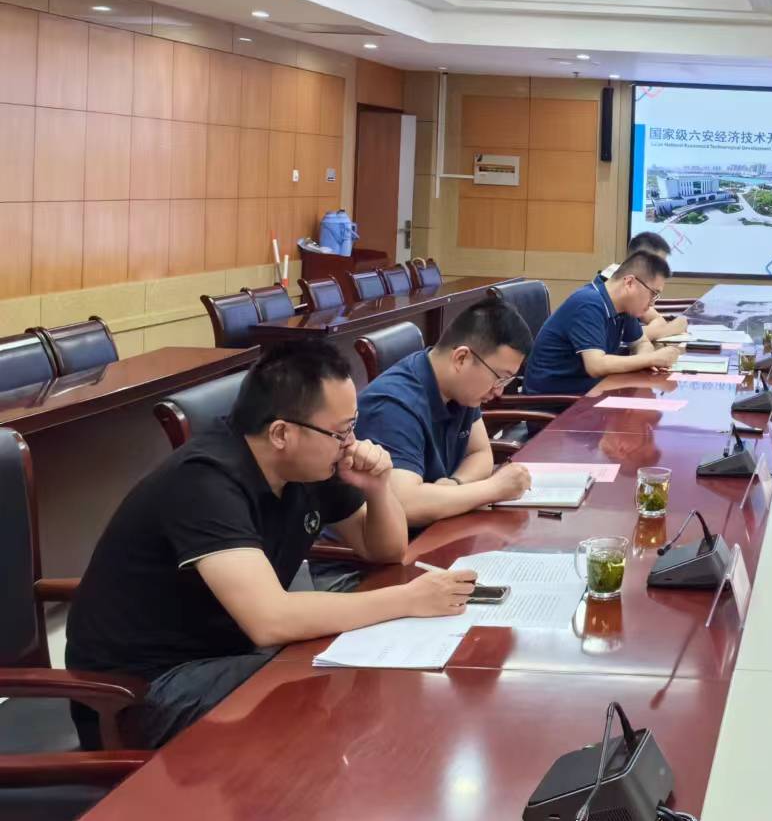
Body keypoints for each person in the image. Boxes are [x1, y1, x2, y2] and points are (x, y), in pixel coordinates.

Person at [65, 343, 475, 749]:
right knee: (327, 694)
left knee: (353, 679)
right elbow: (271, 619)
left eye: (352, 427)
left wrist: (378, 488)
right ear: (281, 433)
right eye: (341, 432)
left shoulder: (310, 463)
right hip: (142, 690)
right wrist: (408, 599)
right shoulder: (204, 482)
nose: (351, 444)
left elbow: (385, 550)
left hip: (229, 654)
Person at [355, 299, 537, 527]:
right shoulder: (392, 404)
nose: (499, 390)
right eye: (499, 378)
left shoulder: (462, 389)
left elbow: (480, 453)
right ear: (461, 358)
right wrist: (494, 488)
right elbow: (404, 505)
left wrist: (454, 484)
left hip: (438, 526)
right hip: (389, 546)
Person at [524, 250, 683, 394]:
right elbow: (596, 366)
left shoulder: (624, 307)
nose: (652, 303)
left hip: (591, 392)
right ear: (629, 283)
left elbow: (641, 343)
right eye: (653, 293)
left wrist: (646, 362)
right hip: (553, 403)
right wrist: (652, 359)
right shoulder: (588, 304)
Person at [603, 232, 688, 342]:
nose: (661, 269)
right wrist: (671, 329)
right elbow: (623, 337)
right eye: (656, 264)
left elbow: (658, 320)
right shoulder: (612, 280)